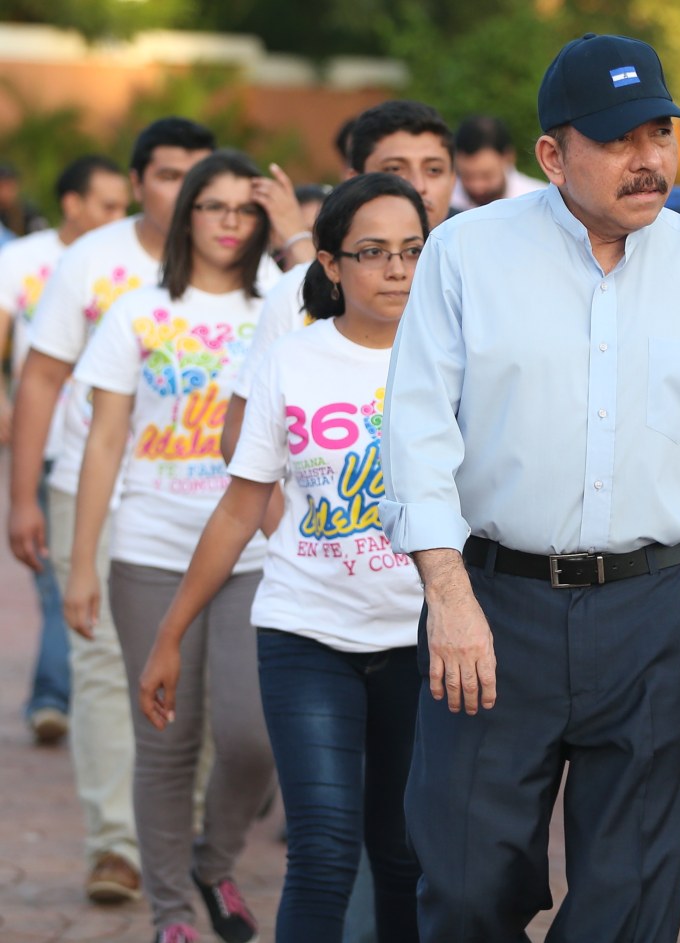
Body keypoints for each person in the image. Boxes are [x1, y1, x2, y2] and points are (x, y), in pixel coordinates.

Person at [379, 32, 680, 940]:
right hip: (493, 606)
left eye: (659, 133)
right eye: (617, 140)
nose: (647, 159)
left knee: (631, 897)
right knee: (464, 883)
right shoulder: (465, 253)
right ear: (551, 154)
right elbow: (414, 430)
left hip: (656, 613)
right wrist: (446, 592)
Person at [139, 173, 429, 942]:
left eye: (412, 250)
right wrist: (171, 632)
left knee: (404, 851)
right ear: (329, 263)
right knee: (324, 848)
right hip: (306, 633)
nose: (396, 269)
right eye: (373, 252)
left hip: (422, 640)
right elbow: (240, 507)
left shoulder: (455, 359)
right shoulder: (291, 361)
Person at [63, 150, 279, 943]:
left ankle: (212, 860)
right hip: (151, 547)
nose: (230, 221)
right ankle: (170, 914)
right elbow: (104, 441)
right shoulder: (137, 311)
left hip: (253, 554)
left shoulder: (283, 303)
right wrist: (82, 563)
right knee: (167, 735)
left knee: (253, 734)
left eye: (245, 208)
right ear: (186, 214)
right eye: (213, 205)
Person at [7, 117, 216, 904]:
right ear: (136, 182)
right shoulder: (90, 261)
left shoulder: (249, 266)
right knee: (98, 659)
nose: (185, 191)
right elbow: (39, 377)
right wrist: (22, 495)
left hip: (206, 499)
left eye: (199, 175)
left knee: (197, 662)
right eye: (167, 174)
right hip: (87, 486)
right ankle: (117, 844)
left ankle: (182, 829)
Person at [221, 99, 458, 461]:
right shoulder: (293, 295)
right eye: (394, 169)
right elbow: (242, 442)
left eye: (435, 170)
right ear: (354, 179)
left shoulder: (476, 287)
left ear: (453, 180)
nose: (419, 186)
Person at [0, 154, 129, 745]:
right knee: (59, 579)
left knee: (86, 579)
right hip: (48, 442)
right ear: (72, 203)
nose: (118, 216)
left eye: (123, 205)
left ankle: (64, 693)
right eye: (107, 204)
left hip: (114, 448)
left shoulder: (135, 261)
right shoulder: (23, 259)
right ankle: (57, 695)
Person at [448, 114, 546, 210]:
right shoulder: (447, 201)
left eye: (486, 175)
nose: (477, 187)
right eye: (466, 176)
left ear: (508, 158)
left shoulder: (539, 203)